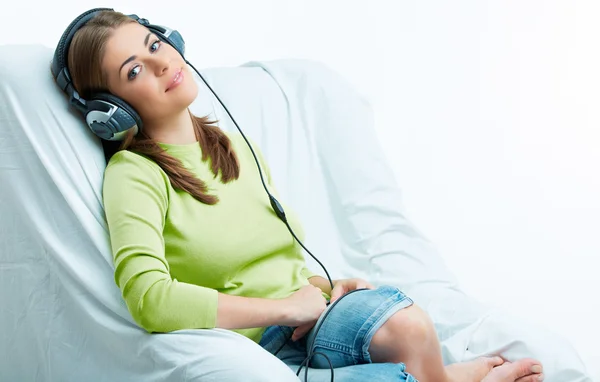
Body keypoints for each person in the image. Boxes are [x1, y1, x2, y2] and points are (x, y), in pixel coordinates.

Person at [62, 9, 545, 382]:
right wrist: (285, 308)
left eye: (154, 44)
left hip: (311, 320)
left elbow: (271, 259)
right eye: (134, 70)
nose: (162, 61)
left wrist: (321, 287)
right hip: (256, 346)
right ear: (112, 111)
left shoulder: (229, 145)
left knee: (410, 326)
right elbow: (150, 300)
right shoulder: (134, 174)